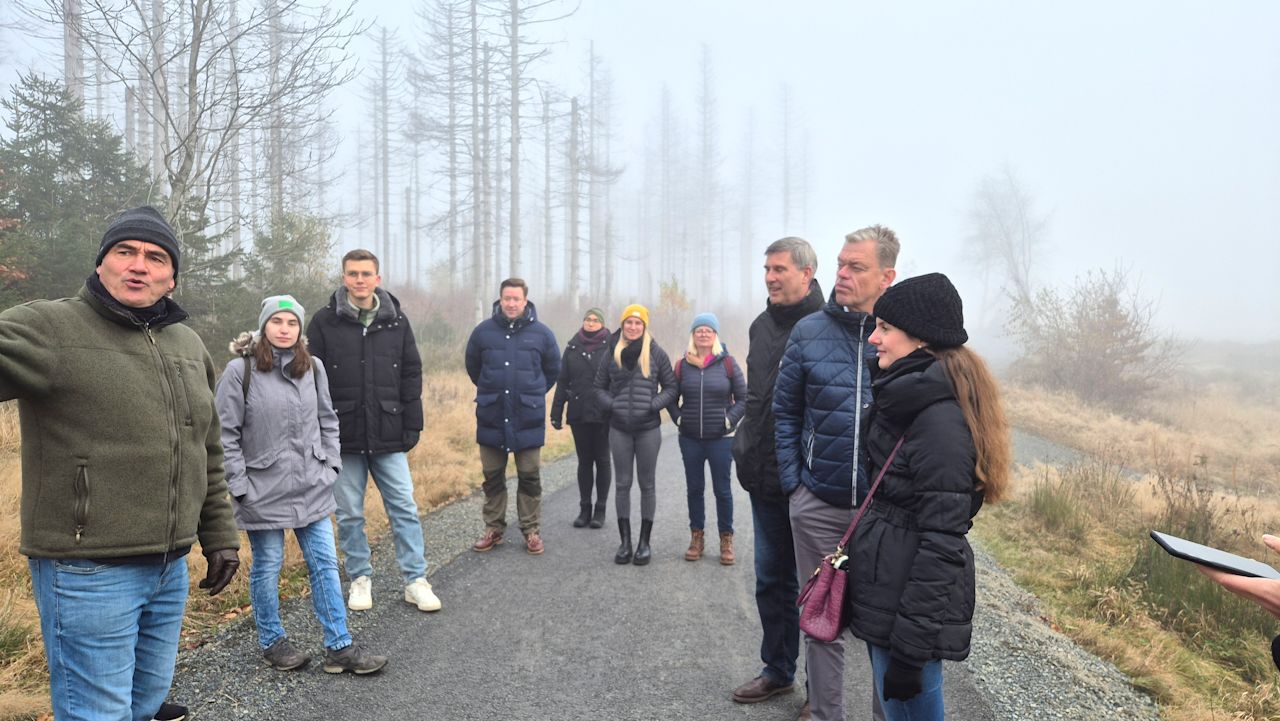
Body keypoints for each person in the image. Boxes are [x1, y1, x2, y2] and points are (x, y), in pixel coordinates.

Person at [0, 206, 241, 720]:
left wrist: (218, 535)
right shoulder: (51, 326)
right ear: (102, 263)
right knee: (97, 713)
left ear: (171, 278)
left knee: (146, 705)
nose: (139, 265)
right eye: (124, 252)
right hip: (87, 569)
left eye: (155, 257)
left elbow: (208, 449)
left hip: (169, 568)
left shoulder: (187, 344)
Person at [846, 272, 1011, 720]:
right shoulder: (906, 400)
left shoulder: (939, 424)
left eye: (884, 329)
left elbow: (943, 541)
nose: (873, 339)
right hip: (890, 596)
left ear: (920, 340)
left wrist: (911, 651)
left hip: (907, 613)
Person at [216, 295, 388, 675]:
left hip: (312, 484)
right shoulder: (239, 371)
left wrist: (331, 464)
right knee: (268, 566)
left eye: (291, 323)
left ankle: (339, 647)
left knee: (325, 563)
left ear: (299, 330)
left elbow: (328, 419)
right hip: (262, 489)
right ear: (263, 327)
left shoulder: (314, 368)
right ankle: (272, 642)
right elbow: (224, 434)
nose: (284, 329)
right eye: (276, 321)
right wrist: (239, 485)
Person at [774, 225, 901, 721]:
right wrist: (795, 487)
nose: (842, 274)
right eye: (841, 264)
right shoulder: (808, 332)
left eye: (857, 267)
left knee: (879, 629)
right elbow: (784, 413)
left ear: (886, 276)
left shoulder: (904, 339)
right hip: (818, 505)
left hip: (881, 515)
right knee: (820, 626)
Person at [305, 249, 440, 613]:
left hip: (389, 432)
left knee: (404, 508)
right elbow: (310, 379)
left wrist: (413, 423)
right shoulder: (323, 322)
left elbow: (411, 373)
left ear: (377, 278)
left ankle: (415, 580)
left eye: (366, 273)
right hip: (342, 434)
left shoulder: (397, 321)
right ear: (344, 277)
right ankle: (360, 579)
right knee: (349, 513)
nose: (359, 280)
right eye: (353, 273)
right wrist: (317, 429)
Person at [731, 237, 826, 709]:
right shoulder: (760, 326)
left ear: (807, 273)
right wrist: (743, 445)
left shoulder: (830, 326)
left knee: (816, 585)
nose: (769, 277)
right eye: (766, 268)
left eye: (780, 269)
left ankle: (819, 690)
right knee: (771, 580)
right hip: (763, 477)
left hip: (810, 482)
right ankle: (778, 670)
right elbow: (756, 399)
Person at [465, 278, 561, 554]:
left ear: (525, 301)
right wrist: (492, 390)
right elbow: (473, 367)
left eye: (516, 299)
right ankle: (493, 528)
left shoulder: (542, 334)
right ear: (500, 299)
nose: (511, 303)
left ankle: (531, 531)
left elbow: (553, 369)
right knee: (492, 476)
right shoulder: (483, 332)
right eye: (507, 298)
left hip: (527, 417)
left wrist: (531, 393)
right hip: (492, 414)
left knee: (529, 476)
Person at [593, 304, 677, 566]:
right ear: (623, 324)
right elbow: (598, 388)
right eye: (628, 322)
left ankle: (644, 543)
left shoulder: (655, 352)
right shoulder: (611, 351)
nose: (632, 327)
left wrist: (652, 405)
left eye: (638, 323)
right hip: (618, 429)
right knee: (622, 485)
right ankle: (625, 542)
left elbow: (672, 387)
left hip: (648, 430)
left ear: (645, 326)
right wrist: (613, 404)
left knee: (647, 485)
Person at [670, 312, 747, 564]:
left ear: (715, 335)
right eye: (699, 330)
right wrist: (679, 419)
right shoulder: (682, 365)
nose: (703, 334)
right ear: (693, 334)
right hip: (690, 439)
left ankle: (726, 540)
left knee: (722, 490)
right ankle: (697, 537)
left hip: (721, 440)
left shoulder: (727, 363)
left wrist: (728, 421)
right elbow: (671, 396)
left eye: (708, 330)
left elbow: (745, 397)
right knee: (695, 489)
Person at [550, 308, 613, 529]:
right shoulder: (572, 347)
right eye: (588, 319)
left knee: (603, 460)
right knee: (584, 461)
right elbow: (563, 380)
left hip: (604, 413)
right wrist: (556, 411)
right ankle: (584, 508)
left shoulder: (612, 346)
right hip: (579, 412)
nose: (591, 323)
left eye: (595, 320)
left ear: (602, 324)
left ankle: (601, 509)